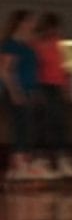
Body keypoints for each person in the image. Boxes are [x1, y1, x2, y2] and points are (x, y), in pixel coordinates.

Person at [1, 10, 59, 180]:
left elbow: (32, 70)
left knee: (30, 127)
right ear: (21, 23)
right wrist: (15, 92)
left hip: (29, 91)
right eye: (30, 21)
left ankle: (24, 163)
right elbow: (5, 70)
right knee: (22, 127)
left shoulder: (27, 46)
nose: (33, 25)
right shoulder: (12, 44)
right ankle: (20, 165)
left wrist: (35, 91)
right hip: (17, 92)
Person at [32, 12, 72, 178]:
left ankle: (63, 159)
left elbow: (63, 70)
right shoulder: (37, 45)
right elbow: (36, 69)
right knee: (46, 124)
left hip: (56, 87)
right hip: (44, 87)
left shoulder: (57, 44)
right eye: (54, 27)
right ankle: (42, 160)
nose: (57, 31)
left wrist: (67, 89)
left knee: (60, 124)